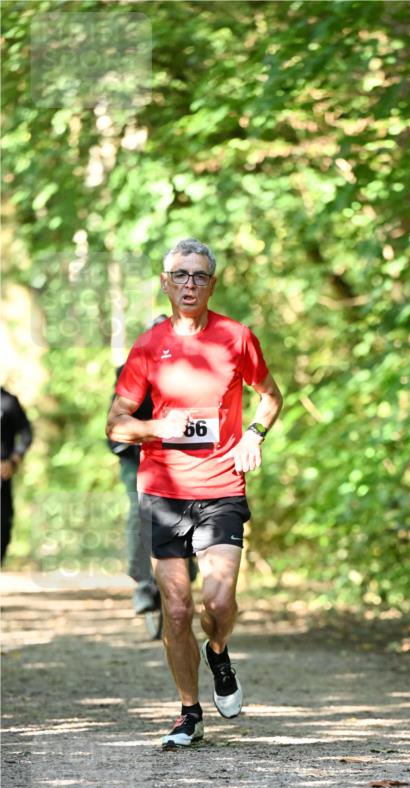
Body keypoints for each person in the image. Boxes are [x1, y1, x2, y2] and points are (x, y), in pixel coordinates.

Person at [105, 238, 283, 749]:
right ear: (165, 282)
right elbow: (116, 425)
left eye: (199, 276)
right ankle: (189, 712)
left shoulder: (236, 337)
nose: (189, 284)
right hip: (162, 491)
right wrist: (161, 427)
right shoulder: (147, 346)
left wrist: (253, 433)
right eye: (180, 275)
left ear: (213, 283)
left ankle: (220, 651)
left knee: (219, 599)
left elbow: (270, 395)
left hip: (222, 486)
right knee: (177, 609)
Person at [109, 315, 167, 617]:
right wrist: (126, 441)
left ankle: (189, 568)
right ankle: (144, 582)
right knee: (137, 510)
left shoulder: (189, 371)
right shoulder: (128, 371)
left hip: (179, 455)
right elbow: (116, 417)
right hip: (136, 454)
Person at [1, 386, 33, 564]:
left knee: (3, 522)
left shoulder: (8, 401)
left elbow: (26, 433)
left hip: (2, 472)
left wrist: (13, 461)